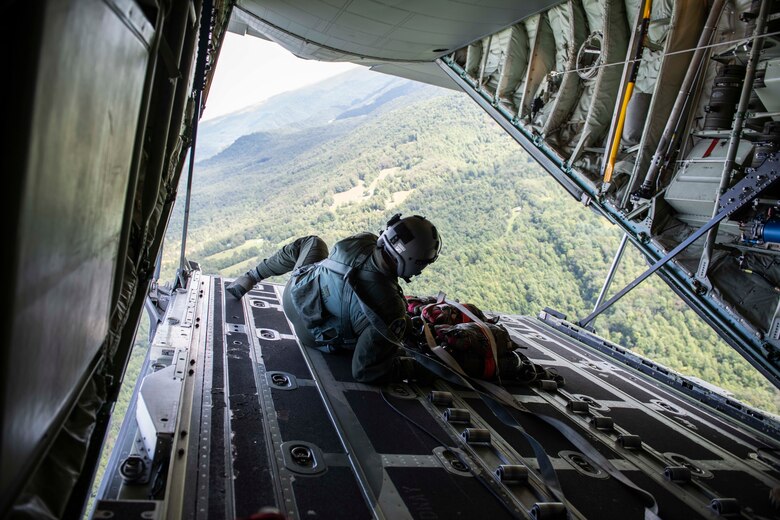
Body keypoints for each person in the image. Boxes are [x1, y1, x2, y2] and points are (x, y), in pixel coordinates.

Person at [226, 214, 442, 383]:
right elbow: (365, 372)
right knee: (390, 331)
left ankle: (250, 277)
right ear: (414, 263)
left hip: (293, 295)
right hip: (312, 336)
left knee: (312, 242)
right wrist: (422, 369)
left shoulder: (363, 241)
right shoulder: (390, 309)